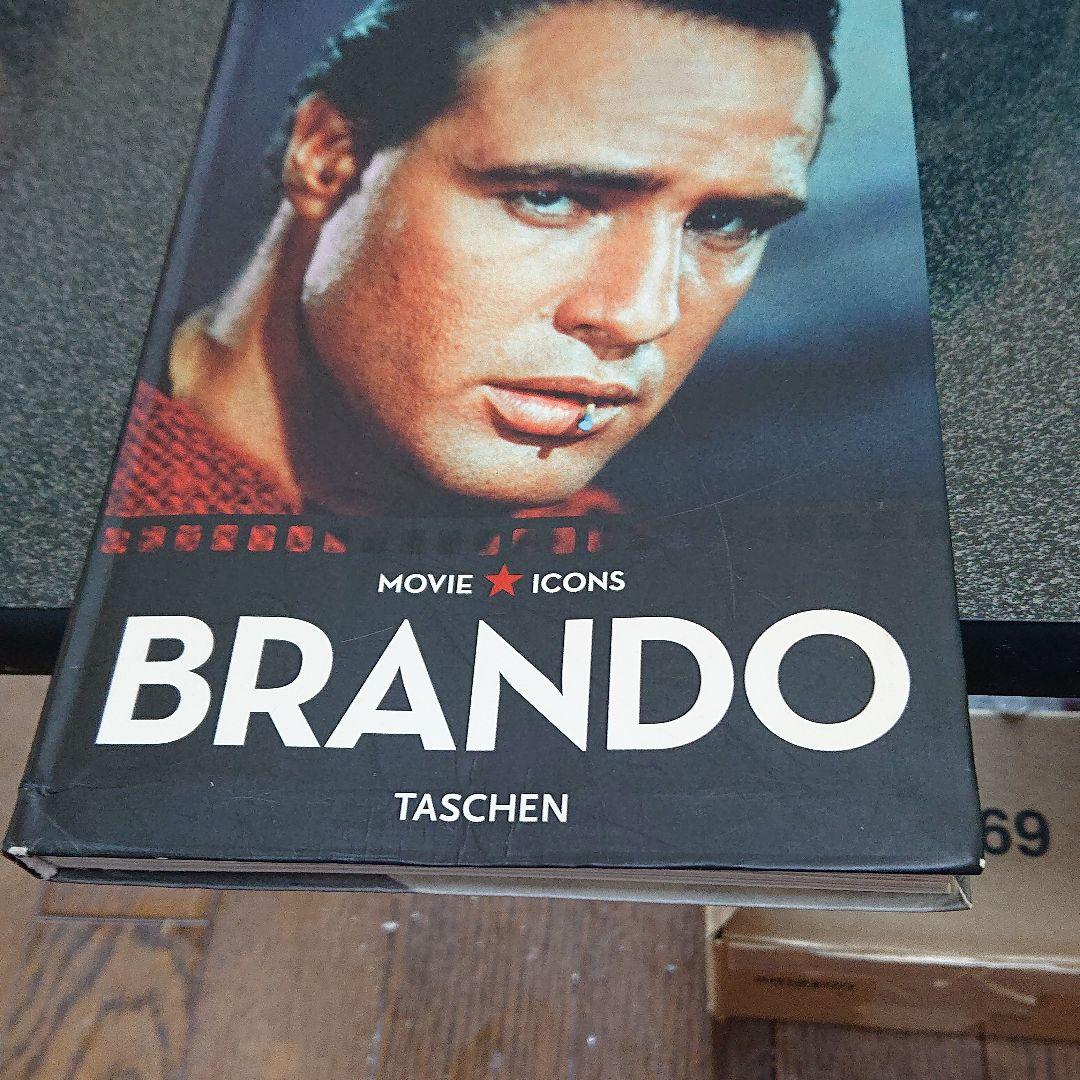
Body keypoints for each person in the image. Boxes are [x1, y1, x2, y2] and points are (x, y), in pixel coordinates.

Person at [107, 0, 837, 519]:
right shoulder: (85, 494)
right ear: (327, 157)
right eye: (549, 197)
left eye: (723, 221)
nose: (641, 313)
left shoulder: (611, 568)